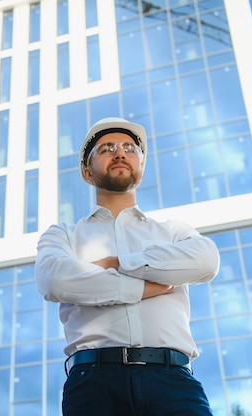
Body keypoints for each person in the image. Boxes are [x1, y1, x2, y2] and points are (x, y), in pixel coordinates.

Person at [34, 117, 221, 415]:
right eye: (107, 148)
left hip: (174, 381)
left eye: (129, 148)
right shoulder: (64, 235)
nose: (120, 153)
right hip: (94, 385)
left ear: (141, 168)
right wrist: (143, 287)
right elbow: (54, 280)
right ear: (87, 171)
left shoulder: (173, 230)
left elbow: (207, 260)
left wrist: (119, 262)